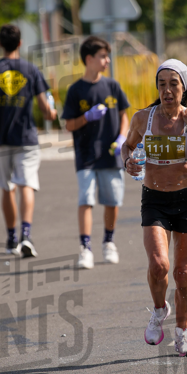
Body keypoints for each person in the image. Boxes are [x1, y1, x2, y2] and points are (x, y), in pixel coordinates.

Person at [121, 58, 187, 356]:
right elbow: (126, 146)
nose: (167, 90)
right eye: (162, 84)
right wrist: (128, 161)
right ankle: (160, 310)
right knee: (158, 265)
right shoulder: (143, 118)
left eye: (174, 84)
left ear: (184, 87)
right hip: (155, 198)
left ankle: (183, 334)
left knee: (182, 272)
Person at [0, 23, 57, 257]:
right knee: (26, 184)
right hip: (26, 136)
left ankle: (10, 239)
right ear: (20, 43)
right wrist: (51, 113)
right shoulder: (31, 69)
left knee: (7, 187)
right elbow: (43, 106)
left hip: (2, 137)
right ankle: (26, 236)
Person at [62, 36, 129, 269]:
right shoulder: (76, 90)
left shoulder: (112, 86)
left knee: (112, 201)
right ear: (89, 59)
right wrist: (86, 117)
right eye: (102, 56)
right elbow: (68, 124)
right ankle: (85, 248)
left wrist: (122, 138)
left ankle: (109, 242)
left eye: (107, 56)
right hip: (86, 155)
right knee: (86, 200)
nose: (107, 60)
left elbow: (124, 115)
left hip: (111, 156)